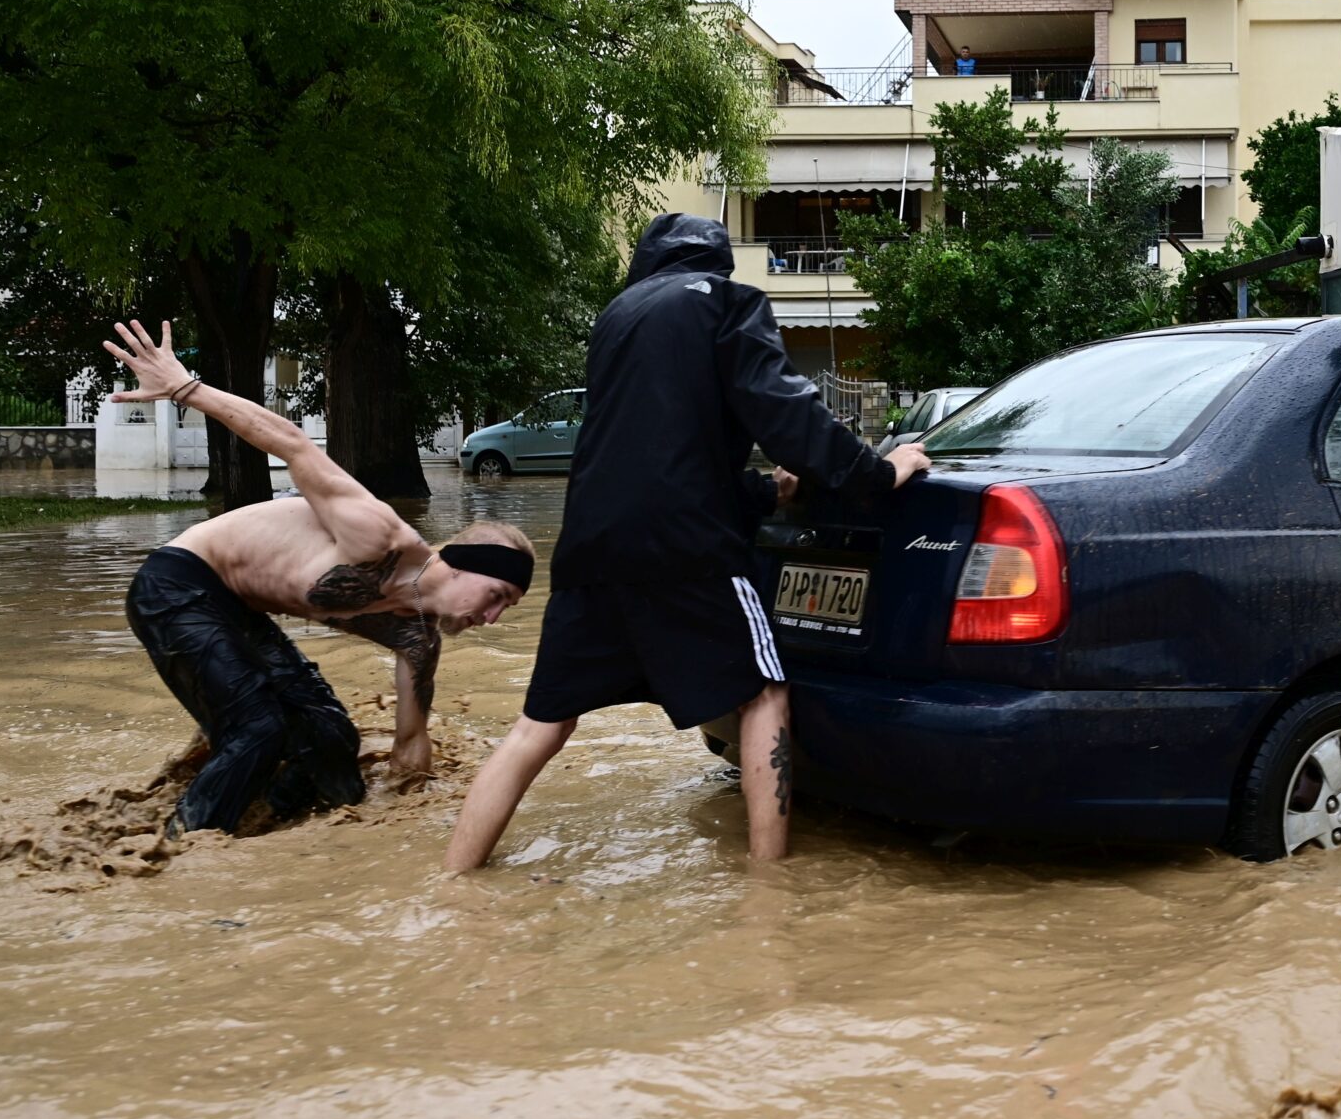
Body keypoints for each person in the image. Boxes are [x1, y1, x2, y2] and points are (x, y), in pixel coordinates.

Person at [445, 215, 929, 870]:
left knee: (542, 724)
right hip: (689, 546)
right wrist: (880, 471)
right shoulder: (727, 300)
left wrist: (764, 493)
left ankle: (454, 878)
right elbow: (786, 412)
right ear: (717, 260)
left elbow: (655, 448)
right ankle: (769, 888)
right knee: (765, 691)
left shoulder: (615, 318)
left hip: (588, 548)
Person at [101, 319, 533, 835]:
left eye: (505, 608)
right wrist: (185, 388)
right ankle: (181, 849)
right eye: (497, 596)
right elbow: (293, 444)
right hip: (179, 584)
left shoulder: (417, 637)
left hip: (238, 610)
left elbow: (410, 744)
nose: (492, 617)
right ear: (465, 565)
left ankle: (271, 827)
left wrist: (413, 829)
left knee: (332, 737)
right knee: (259, 728)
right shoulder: (378, 537)